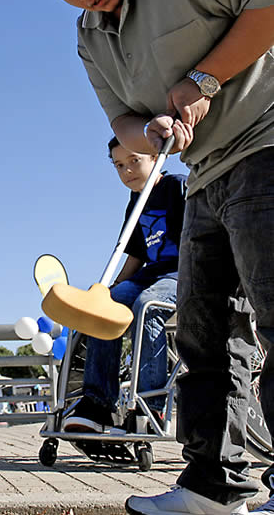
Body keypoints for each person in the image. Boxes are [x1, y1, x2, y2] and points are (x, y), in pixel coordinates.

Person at [19, 0, 274, 515]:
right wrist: (149, 127)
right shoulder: (89, 35)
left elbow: (269, 1)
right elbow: (122, 123)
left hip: (267, 143)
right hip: (204, 175)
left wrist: (205, 80)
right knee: (205, 339)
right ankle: (216, 487)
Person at [64, 137, 186, 433]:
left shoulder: (177, 187)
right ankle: (98, 404)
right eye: (119, 165)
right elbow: (135, 254)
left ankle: (149, 408)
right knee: (106, 308)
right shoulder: (135, 200)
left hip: (183, 272)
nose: (127, 171)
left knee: (148, 306)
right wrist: (110, 289)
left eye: (134, 161)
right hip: (151, 274)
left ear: (157, 157)